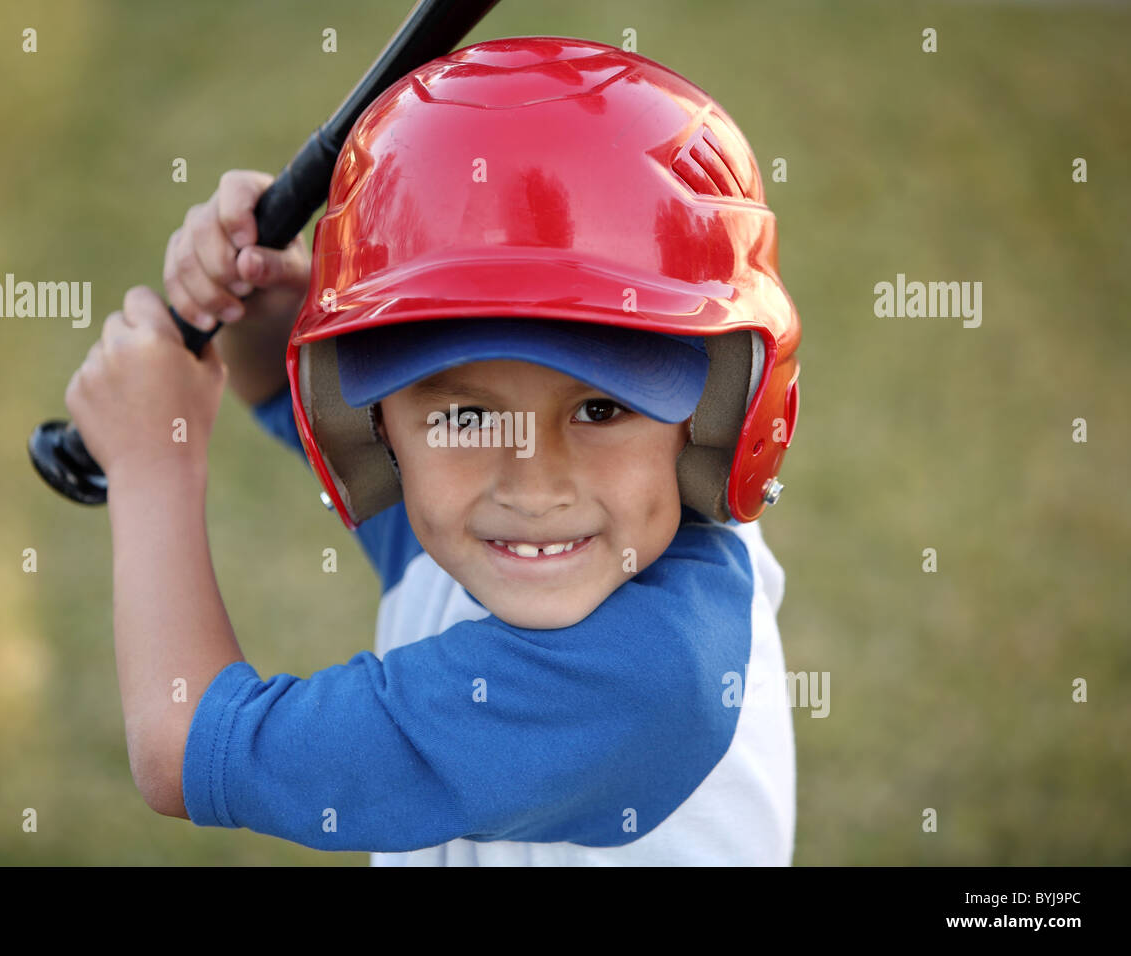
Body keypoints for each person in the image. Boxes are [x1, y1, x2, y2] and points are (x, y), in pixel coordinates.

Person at [65, 37, 802, 865]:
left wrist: (148, 465)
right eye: (465, 418)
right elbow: (287, 397)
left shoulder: (642, 676)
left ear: (711, 421)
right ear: (377, 428)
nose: (532, 485)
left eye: (600, 408)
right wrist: (263, 309)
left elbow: (186, 746)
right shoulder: (560, 541)